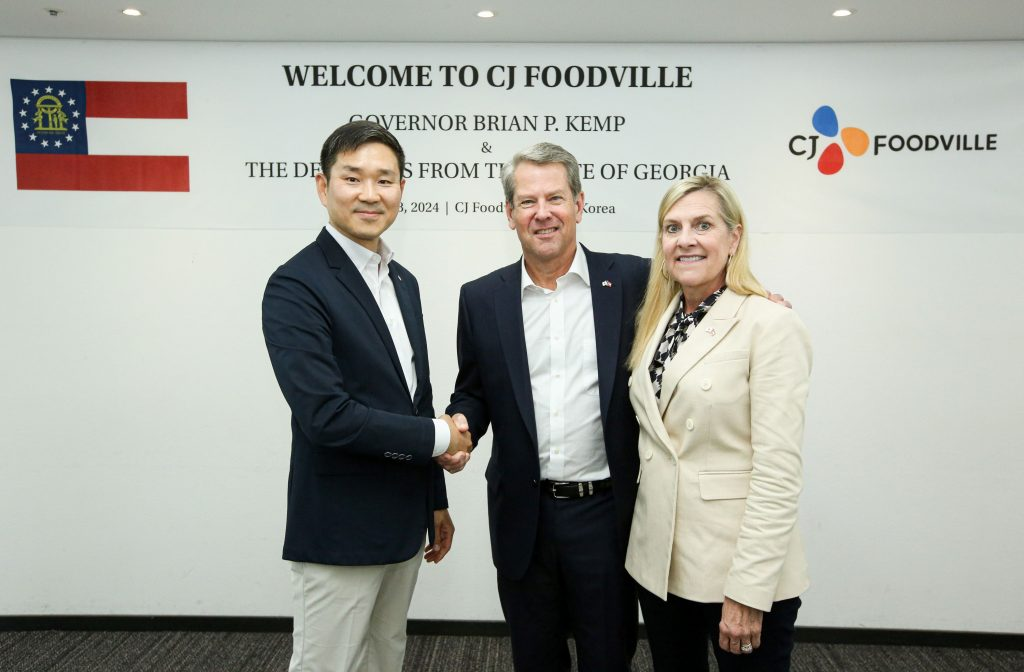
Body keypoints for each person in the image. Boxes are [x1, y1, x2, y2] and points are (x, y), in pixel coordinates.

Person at [261, 120, 471, 672]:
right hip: (339, 526)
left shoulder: (402, 281)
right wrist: (441, 436)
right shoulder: (296, 284)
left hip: (403, 521)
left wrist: (435, 498)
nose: (370, 194)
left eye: (386, 179)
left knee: (385, 656)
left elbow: (412, 401)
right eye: (353, 178)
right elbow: (325, 415)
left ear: (403, 188)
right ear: (321, 186)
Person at [446, 143, 648, 671]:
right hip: (523, 516)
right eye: (528, 200)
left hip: (604, 515)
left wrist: (756, 298)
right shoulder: (481, 298)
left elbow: (706, 289)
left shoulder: (633, 281)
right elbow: (474, 389)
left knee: (608, 657)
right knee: (535, 658)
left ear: (580, 203)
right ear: (509, 213)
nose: (543, 212)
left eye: (555, 197)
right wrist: (462, 424)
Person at [624, 176, 812, 672]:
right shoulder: (659, 319)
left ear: (734, 237)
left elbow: (777, 472)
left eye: (702, 225)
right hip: (663, 566)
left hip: (736, 570)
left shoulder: (770, 324)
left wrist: (749, 591)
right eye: (672, 227)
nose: (685, 238)